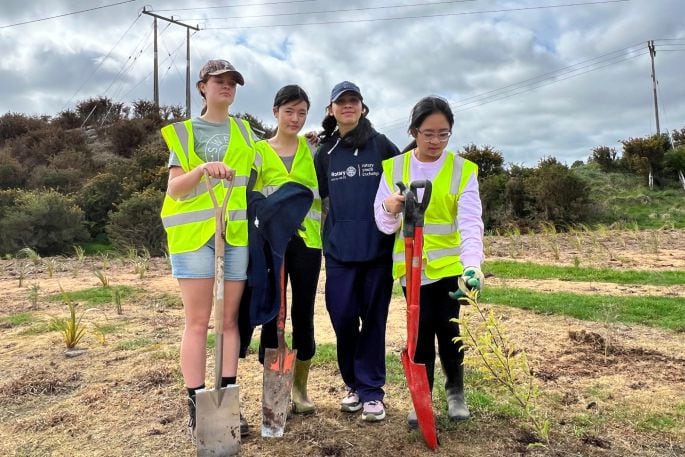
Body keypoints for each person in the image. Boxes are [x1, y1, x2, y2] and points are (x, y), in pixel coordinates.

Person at [374, 96, 484, 427]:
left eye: (443, 134)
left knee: (449, 329)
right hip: (412, 267)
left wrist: (472, 264)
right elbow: (382, 223)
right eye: (428, 134)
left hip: (451, 267)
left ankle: (455, 393)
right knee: (419, 334)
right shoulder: (394, 168)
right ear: (414, 131)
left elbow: (470, 222)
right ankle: (421, 398)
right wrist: (390, 208)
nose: (435, 141)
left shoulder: (463, 170)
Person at [159, 59, 255, 439]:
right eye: (219, 81)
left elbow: (264, 165)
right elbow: (174, 189)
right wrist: (201, 170)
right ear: (203, 87)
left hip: (233, 236)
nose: (226, 87)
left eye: (232, 82)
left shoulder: (246, 132)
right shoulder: (185, 133)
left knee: (230, 322)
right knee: (198, 323)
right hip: (195, 238)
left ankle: (229, 405)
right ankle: (197, 406)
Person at [314, 81, 399, 422]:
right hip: (339, 251)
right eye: (341, 102)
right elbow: (317, 194)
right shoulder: (324, 152)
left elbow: (402, 181)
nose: (347, 107)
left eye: (354, 101)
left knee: (374, 321)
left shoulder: (381, 145)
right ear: (331, 110)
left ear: (362, 107)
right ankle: (352, 384)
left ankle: (372, 392)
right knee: (344, 318)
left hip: (377, 250)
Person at [252, 84, 322, 414]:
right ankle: (275, 389)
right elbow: (250, 199)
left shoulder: (313, 151)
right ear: (275, 111)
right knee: (271, 313)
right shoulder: (259, 151)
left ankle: (300, 388)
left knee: (303, 313)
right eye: (289, 111)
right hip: (271, 246)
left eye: (302, 113)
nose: (295, 118)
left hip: (308, 243)